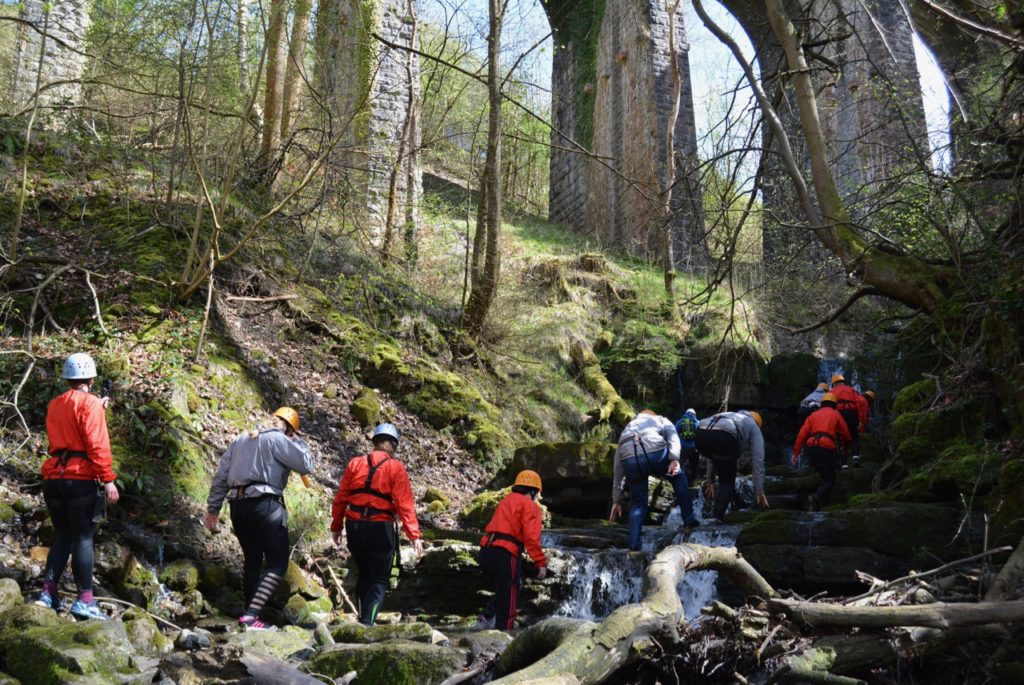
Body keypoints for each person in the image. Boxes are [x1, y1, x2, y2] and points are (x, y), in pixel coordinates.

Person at [205, 406, 313, 630]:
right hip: (266, 505)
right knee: (277, 564)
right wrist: (298, 442)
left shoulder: (241, 439)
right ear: (289, 429)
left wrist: (213, 509)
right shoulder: (277, 439)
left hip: (238, 507)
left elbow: (221, 476)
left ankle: (249, 616)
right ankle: (252, 614)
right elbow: (305, 465)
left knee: (252, 560)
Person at [37, 353, 119, 620]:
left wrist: (96, 407)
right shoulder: (91, 404)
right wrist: (107, 479)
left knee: (63, 537)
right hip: (80, 478)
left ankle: (48, 592)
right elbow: (96, 443)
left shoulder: (54, 404)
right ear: (91, 379)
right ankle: (84, 599)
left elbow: (70, 427)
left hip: (53, 478)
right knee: (83, 538)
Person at [331, 423, 423, 626]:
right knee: (379, 580)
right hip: (380, 528)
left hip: (354, 527)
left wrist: (336, 526)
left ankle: (362, 620)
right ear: (392, 444)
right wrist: (414, 535)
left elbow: (341, 498)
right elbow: (404, 504)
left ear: (375, 442)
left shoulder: (355, 463)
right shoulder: (395, 467)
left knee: (364, 574)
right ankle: (367, 624)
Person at [609, 410, 700, 551]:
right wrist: (674, 459)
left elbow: (618, 466)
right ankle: (689, 520)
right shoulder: (660, 419)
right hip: (654, 454)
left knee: (638, 503)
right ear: (652, 415)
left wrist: (616, 500)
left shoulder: (628, 427)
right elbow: (673, 436)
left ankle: (634, 546)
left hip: (630, 458)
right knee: (678, 476)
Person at [477, 470, 548, 631]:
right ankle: (505, 635)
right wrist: (540, 562)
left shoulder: (506, 500)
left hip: (486, 551)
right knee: (509, 597)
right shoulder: (530, 506)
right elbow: (531, 538)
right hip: (505, 553)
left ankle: (486, 617)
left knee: (508, 587)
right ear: (533, 491)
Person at [695, 410, 769, 520]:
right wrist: (759, 491)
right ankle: (716, 519)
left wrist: (710, 480)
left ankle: (711, 518)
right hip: (723, 437)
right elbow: (758, 460)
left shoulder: (730, 415)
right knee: (727, 482)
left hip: (700, 433)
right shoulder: (753, 426)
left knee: (717, 458)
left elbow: (711, 455)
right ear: (758, 423)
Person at [791, 393, 851, 510]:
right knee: (830, 479)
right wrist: (846, 448)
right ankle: (816, 497)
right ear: (834, 404)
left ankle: (820, 505)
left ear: (822, 404)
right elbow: (846, 435)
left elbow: (801, 434)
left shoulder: (813, 415)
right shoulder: (836, 414)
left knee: (824, 475)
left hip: (811, 449)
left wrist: (796, 453)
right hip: (826, 448)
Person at [829, 375, 863, 468]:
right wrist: (860, 419)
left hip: (839, 414)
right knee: (854, 436)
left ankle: (844, 464)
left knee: (840, 438)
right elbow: (859, 404)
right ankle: (855, 456)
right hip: (851, 413)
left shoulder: (831, 392)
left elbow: (830, 406)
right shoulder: (851, 389)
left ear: (835, 383)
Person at [674, 408, 701, 482]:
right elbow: (701, 435)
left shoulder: (680, 422)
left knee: (681, 464)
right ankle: (694, 481)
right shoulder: (698, 422)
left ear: (686, 413)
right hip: (694, 448)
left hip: (683, 447)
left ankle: (681, 480)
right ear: (694, 414)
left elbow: (674, 433)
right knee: (694, 465)